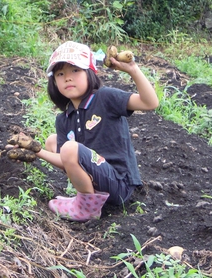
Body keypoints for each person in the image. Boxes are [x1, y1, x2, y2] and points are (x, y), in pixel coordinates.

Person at [37, 41, 158, 222]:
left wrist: (133, 70)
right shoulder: (64, 119)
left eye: (75, 70)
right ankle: (87, 196)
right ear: (54, 81)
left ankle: (87, 207)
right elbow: (65, 161)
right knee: (52, 142)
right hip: (98, 180)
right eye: (60, 74)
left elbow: (150, 103)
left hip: (119, 184)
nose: (67, 78)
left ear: (90, 73)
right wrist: (37, 151)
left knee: (68, 148)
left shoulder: (105, 97)